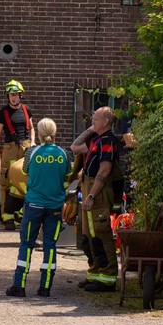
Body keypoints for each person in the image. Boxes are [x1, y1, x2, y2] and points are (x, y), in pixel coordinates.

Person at [6, 118, 68, 298]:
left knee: (26, 244)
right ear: (55, 133)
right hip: (55, 206)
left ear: (39, 134)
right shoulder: (63, 153)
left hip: (33, 204)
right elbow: (67, 174)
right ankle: (45, 287)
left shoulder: (32, 152)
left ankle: (19, 285)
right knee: (50, 245)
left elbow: (24, 171)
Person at [70, 106, 119, 292]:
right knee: (88, 235)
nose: (92, 122)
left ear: (105, 122)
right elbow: (75, 146)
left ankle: (107, 278)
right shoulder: (95, 139)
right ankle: (95, 272)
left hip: (97, 192)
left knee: (101, 233)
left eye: (96, 120)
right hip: (88, 187)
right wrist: (91, 129)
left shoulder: (107, 141)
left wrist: (91, 195)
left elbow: (105, 170)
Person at [0, 80, 35, 230]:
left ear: (21, 95)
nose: (13, 98)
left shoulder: (26, 110)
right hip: (10, 148)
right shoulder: (2, 113)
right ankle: (7, 216)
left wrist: (32, 142)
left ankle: (20, 215)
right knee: (7, 182)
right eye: (11, 95)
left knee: (24, 181)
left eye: (16, 95)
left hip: (25, 149)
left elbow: (31, 128)